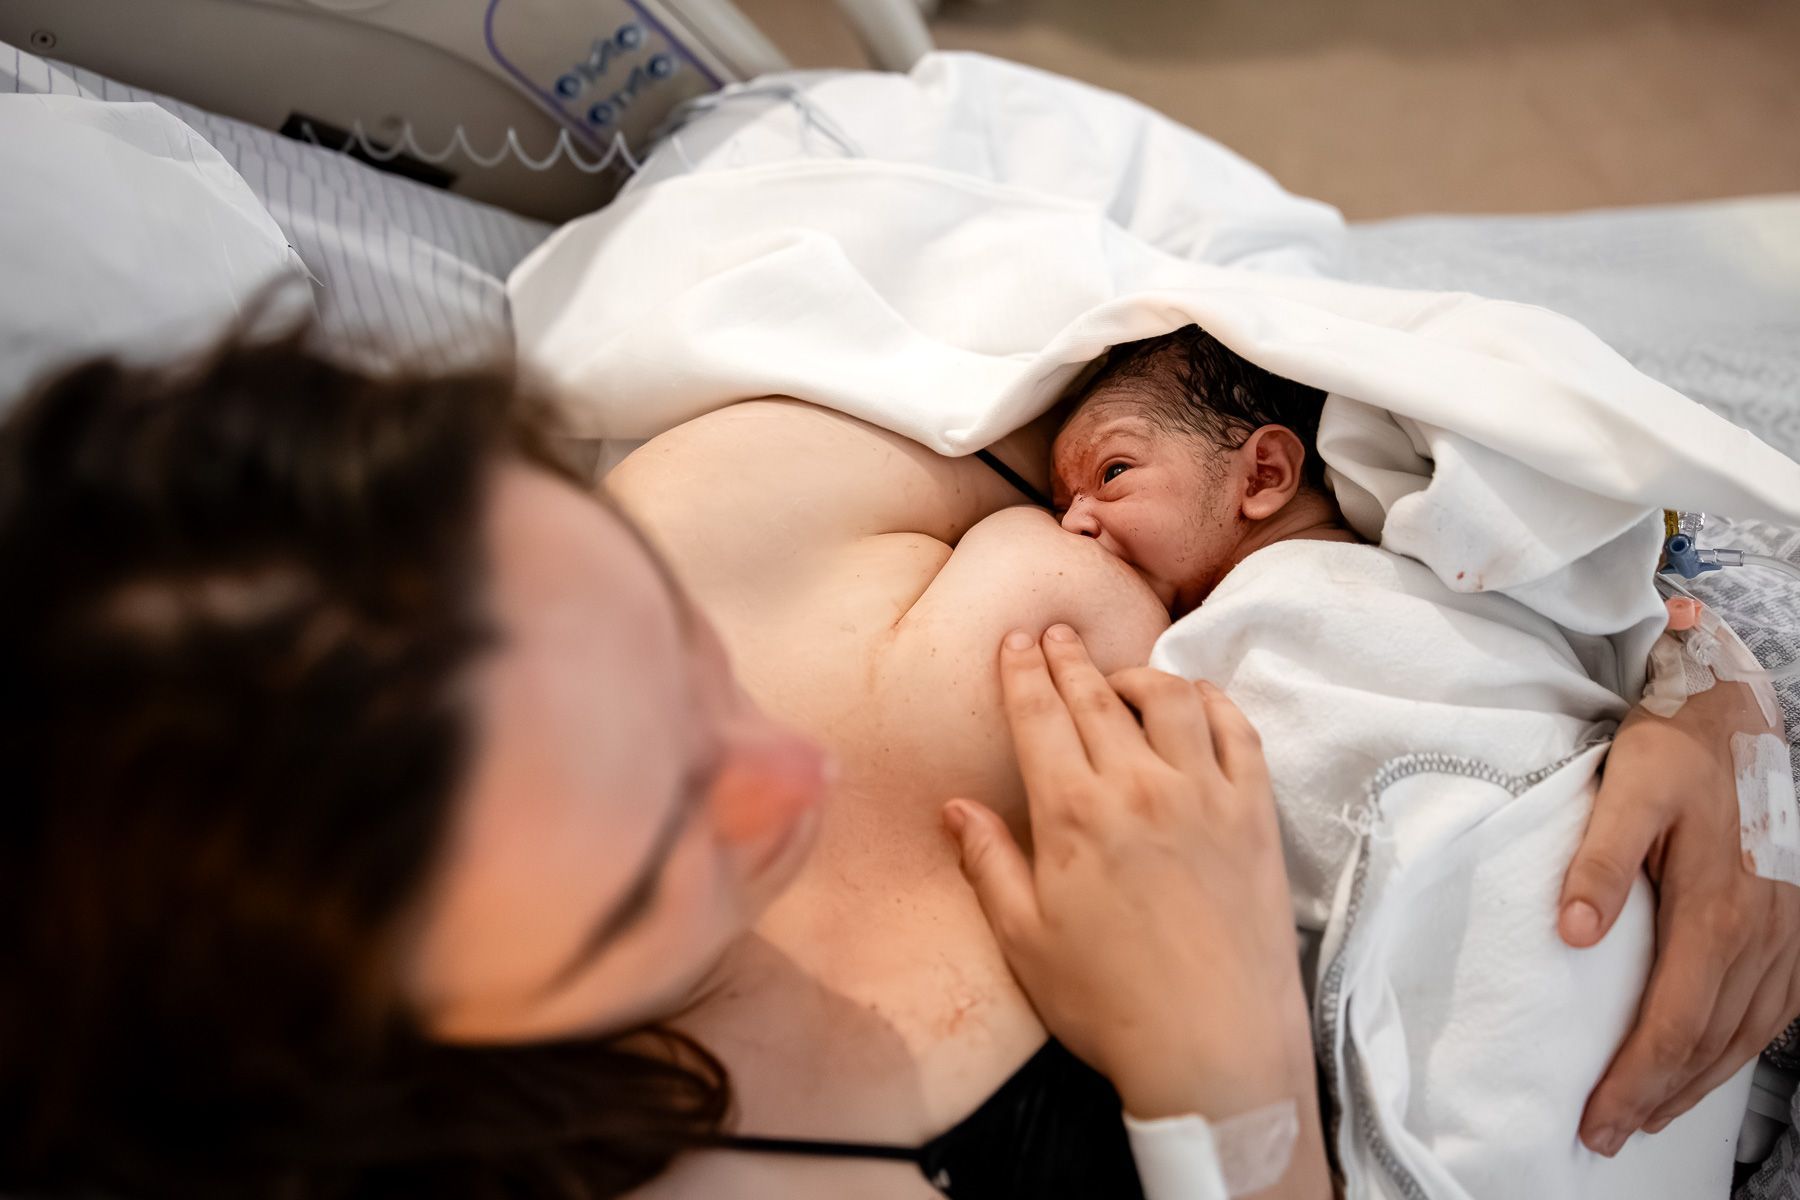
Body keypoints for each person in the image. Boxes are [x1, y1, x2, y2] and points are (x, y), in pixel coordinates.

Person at [0, 326, 1785, 1198]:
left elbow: (1289, 440)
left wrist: (1713, 713)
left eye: (669, 644)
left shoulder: (740, 506)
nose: (774, 768)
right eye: (647, 868)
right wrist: (1224, 1074)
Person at [1048, 322, 1800, 1159]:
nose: (1072, 522)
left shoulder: (1307, 606)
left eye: (1112, 474)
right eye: (1059, 503)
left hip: (1586, 908)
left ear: (1264, 473)